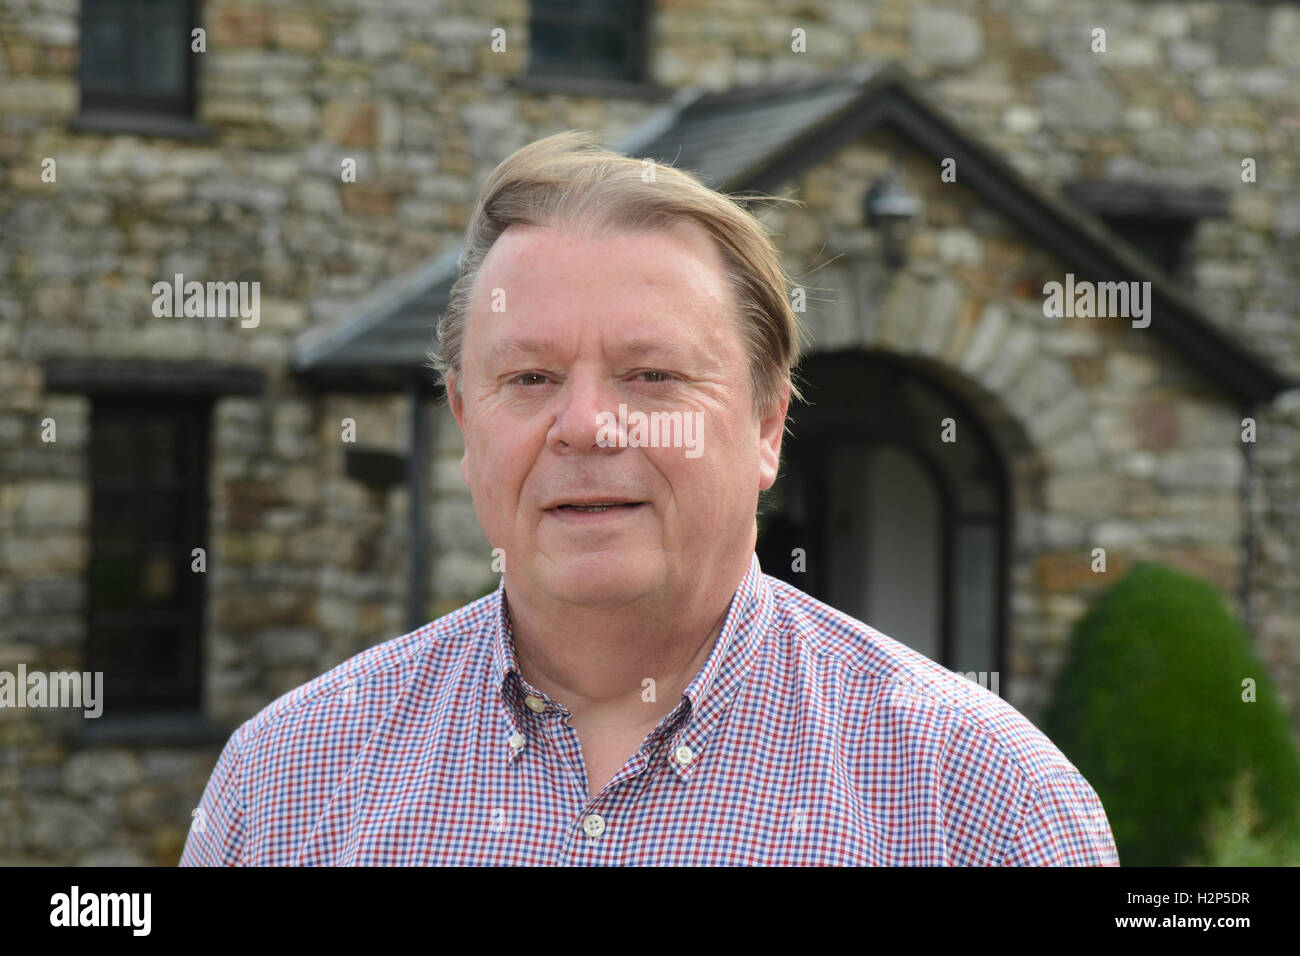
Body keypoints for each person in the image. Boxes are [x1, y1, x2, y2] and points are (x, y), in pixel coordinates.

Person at [181, 130, 1119, 865]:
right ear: (467, 425)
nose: (587, 426)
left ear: (764, 425)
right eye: (533, 378)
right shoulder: (290, 781)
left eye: (653, 374)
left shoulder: (985, 806)